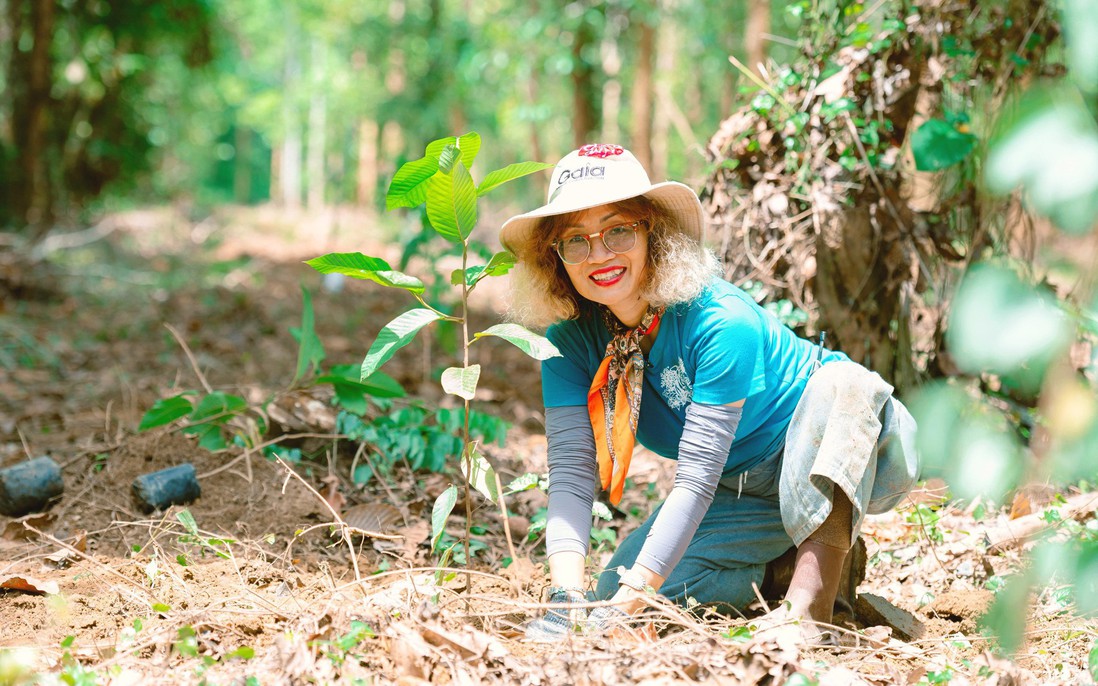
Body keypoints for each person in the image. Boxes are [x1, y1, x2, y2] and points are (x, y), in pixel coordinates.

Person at [499, 143, 919, 642]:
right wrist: (566, 599)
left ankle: (811, 608)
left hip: (849, 447)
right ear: (556, 258)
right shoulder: (568, 344)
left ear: (652, 232)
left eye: (618, 230)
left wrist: (633, 598)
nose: (599, 255)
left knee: (841, 383)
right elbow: (570, 473)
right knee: (614, 589)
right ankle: (789, 572)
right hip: (740, 484)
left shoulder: (721, 320)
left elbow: (694, 478)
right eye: (576, 241)